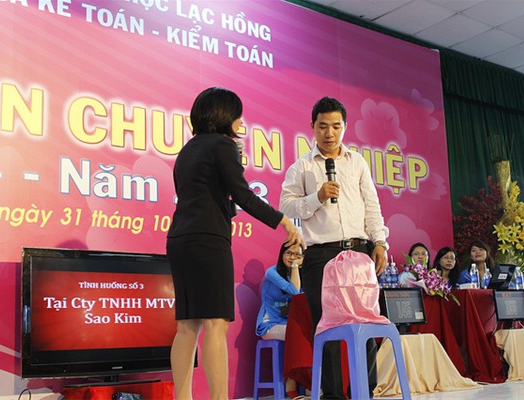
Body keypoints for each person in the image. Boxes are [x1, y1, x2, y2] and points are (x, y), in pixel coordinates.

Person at [166, 87, 305, 400]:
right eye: (238, 115)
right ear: (224, 115)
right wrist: (284, 222)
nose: (241, 122)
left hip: (179, 240)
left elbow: (211, 197)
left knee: (186, 327)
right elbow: (243, 195)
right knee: (216, 324)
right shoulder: (222, 145)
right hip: (208, 240)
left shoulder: (187, 150)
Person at [280, 96, 389, 399]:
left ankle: (364, 392)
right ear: (312, 126)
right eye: (323, 126)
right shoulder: (302, 166)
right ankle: (332, 395)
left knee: (366, 323)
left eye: (336, 126)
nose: (330, 133)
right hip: (320, 255)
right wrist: (317, 196)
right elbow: (286, 206)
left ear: (345, 127)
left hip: (359, 251)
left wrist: (380, 242)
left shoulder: (357, 162)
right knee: (326, 327)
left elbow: (372, 206)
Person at [256, 243, 303, 399]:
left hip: (288, 324)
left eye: (297, 255)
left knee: (309, 333)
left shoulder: (301, 276)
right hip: (269, 325)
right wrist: (295, 267)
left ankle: (308, 382)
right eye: (289, 253)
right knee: (296, 333)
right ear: (282, 254)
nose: (292, 258)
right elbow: (294, 291)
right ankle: (291, 380)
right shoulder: (272, 272)